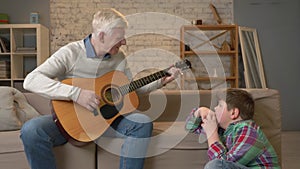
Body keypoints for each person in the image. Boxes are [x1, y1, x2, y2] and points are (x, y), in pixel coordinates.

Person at [21, 8, 181, 169]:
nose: (124, 42)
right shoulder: (70, 53)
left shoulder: (119, 57)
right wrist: (76, 94)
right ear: (102, 36)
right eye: (119, 37)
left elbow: (128, 91)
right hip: (74, 121)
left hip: (110, 120)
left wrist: (160, 82)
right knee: (31, 130)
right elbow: (31, 80)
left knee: (142, 122)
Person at [185, 88, 280, 169]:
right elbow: (190, 127)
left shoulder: (249, 131)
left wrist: (212, 134)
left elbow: (222, 164)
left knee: (215, 165)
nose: (215, 108)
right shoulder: (222, 130)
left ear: (233, 113)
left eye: (220, 105)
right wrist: (199, 111)